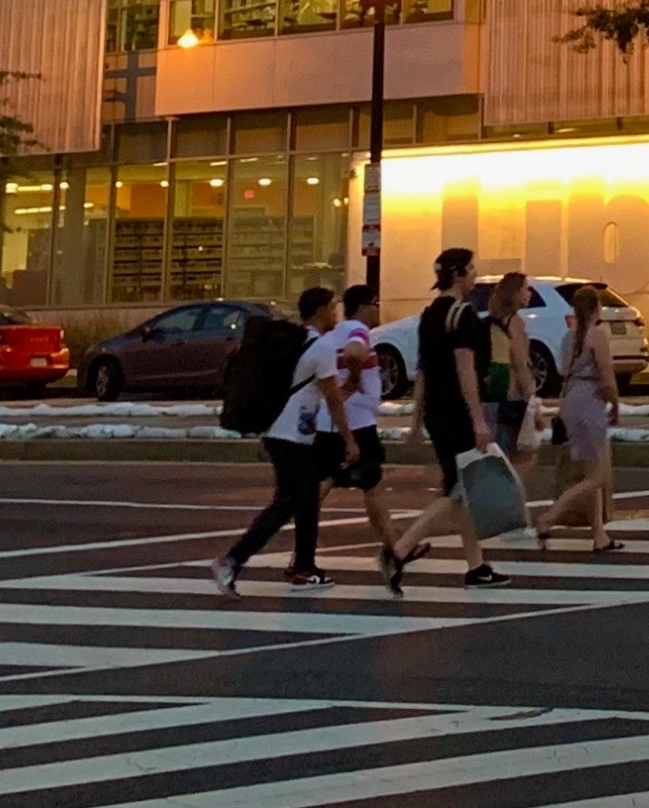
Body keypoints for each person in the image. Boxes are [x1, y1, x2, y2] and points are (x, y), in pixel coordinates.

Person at [384, 246, 504, 591]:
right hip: (457, 413)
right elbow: (465, 370)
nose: (476, 275)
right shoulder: (462, 315)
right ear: (458, 274)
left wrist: (417, 420)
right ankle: (400, 549)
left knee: (461, 489)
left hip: (438, 412)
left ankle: (476, 566)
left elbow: (422, 370)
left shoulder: (430, 314)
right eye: (472, 269)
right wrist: (479, 420)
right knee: (457, 490)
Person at [213, 286, 339, 593]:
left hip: (283, 433)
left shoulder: (295, 342)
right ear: (321, 310)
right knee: (288, 503)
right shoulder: (320, 347)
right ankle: (232, 559)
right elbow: (333, 397)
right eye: (333, 307)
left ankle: (304, 569)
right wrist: (349, 439)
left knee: (306, 499)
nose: (336, 312)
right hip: (290, 437)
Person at [311, 282, 400, 563]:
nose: (378, 311)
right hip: (356, 423)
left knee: (332, 482)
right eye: (375, 304)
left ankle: (392, 548)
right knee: (370, 484)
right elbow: (354, 353)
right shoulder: (357, 331)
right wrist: (354, 380)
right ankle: (392, 549)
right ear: (363, 307)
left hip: (332, 420)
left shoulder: (334, 333)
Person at [532, 284, 622, 555]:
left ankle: (599, 535)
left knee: (587, 470)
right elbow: (607, 378)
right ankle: (549, 518)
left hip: (570, 402)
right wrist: (615, 404)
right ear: (596, 308)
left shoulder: (568, 338)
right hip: (590, 404)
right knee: (598, 476)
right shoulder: (598, 337)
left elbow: (564, 371)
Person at [484, 271, 539, 457]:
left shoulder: (495, 321)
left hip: (494, 395)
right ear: (514, 293)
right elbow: (520, 363)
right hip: (513, 397)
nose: (529, 293)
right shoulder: (515, 322)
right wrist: (533, 402)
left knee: (499, 454)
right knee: (520, 457)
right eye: (525, 288)